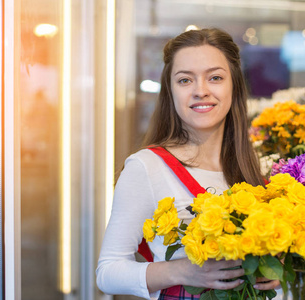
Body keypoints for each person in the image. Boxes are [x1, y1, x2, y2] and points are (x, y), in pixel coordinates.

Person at [96, 28, 280, 299]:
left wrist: (275, 269)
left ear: (235, 86)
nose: (201, 91)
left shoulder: (258, 168)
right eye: (185, 80)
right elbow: (108, 272)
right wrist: (182, 271)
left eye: (215, 77)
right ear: (170, 91)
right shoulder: (146, 166)